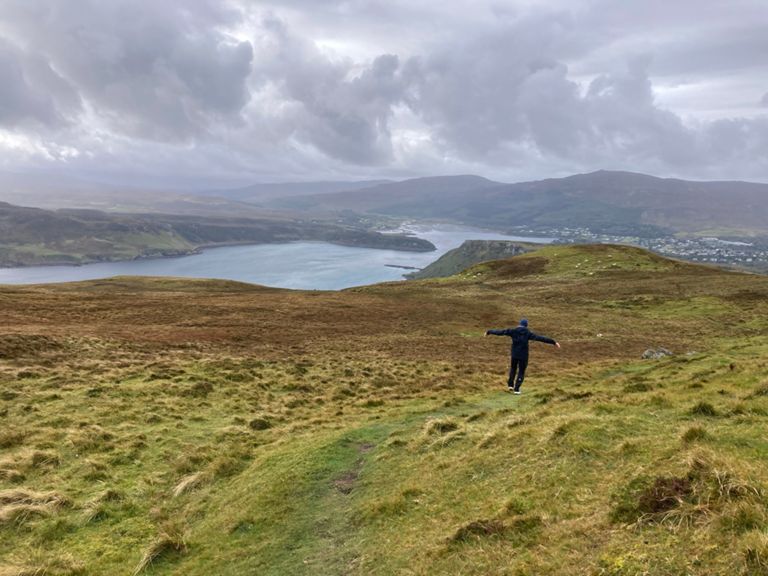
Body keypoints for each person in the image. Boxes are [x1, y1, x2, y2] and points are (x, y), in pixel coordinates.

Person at [485, 318, 560, 394]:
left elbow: (501, 332)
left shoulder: (513, 331)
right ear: (526, 325)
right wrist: (553, 342)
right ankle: (517, 389)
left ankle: (510, 385)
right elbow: (541, 338)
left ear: (519, 324)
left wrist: (489, 332)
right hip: (523, 356)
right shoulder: (528, 333)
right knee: (521, 371)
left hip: (514, 354)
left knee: (513, 368)